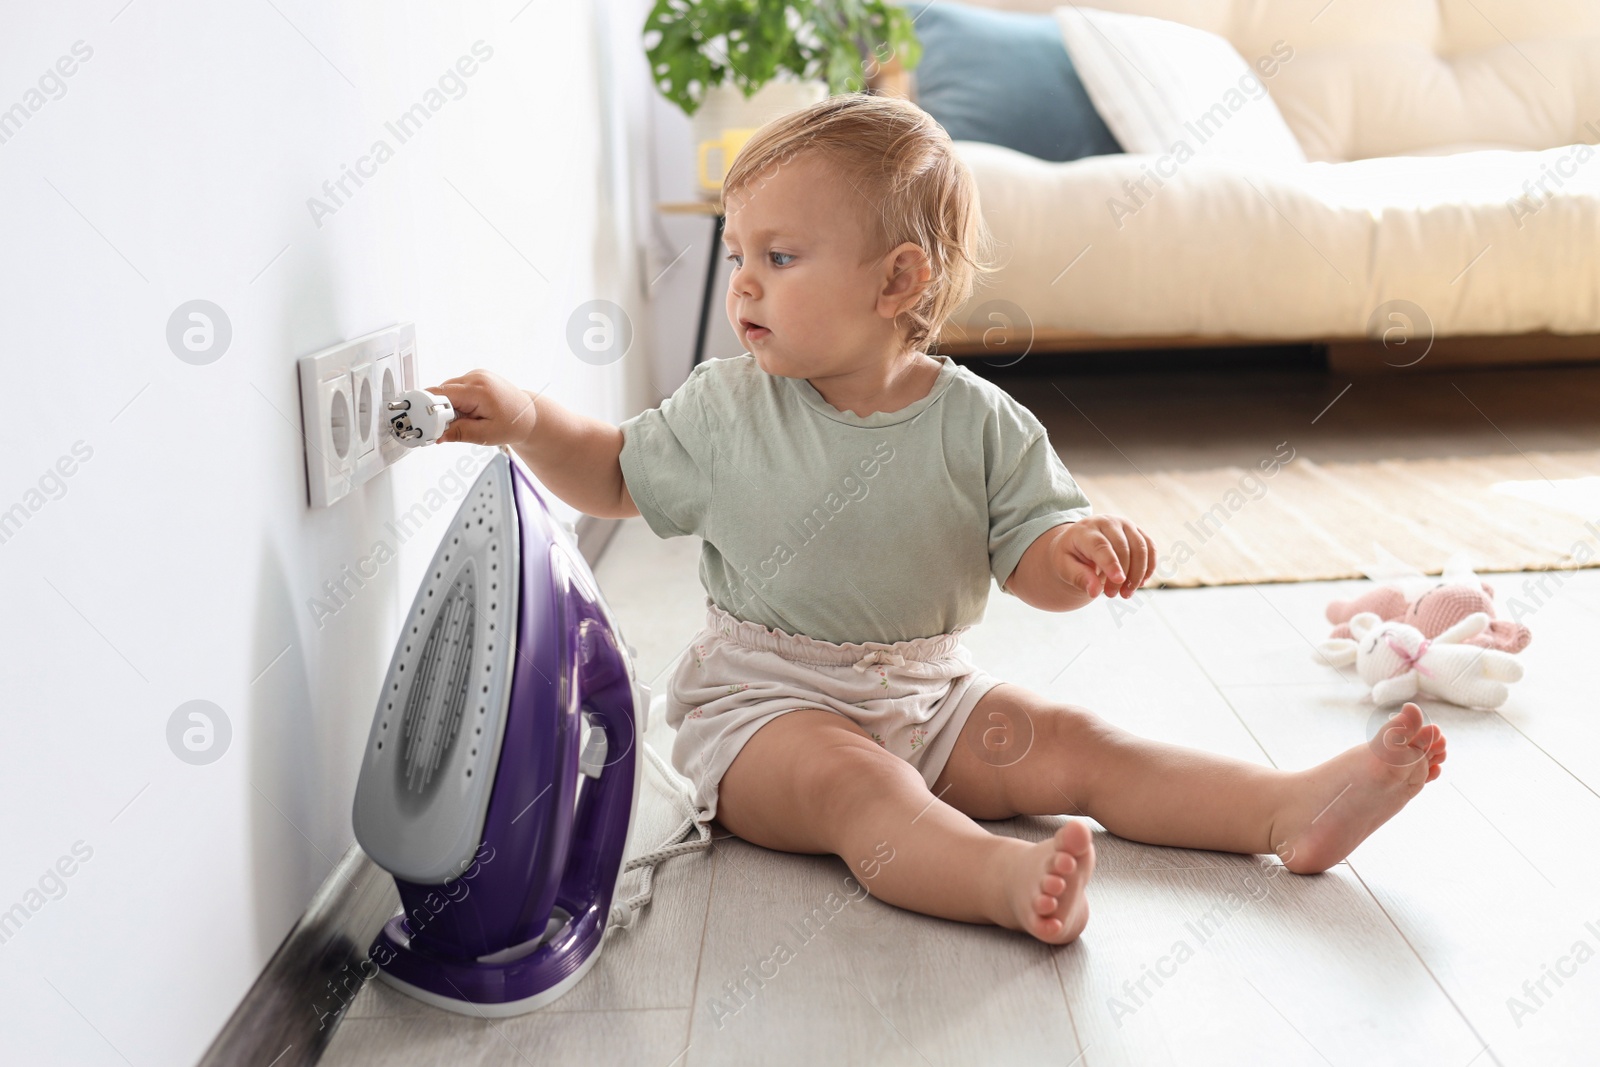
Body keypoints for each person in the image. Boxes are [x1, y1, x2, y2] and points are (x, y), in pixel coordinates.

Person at [430, 94, 1446, 944]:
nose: (741, 280)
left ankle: (1283, 807)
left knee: (1079, 742)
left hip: (934, 699)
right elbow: (611, 473)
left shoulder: (979, 422)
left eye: (778, 256)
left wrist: (1074, 550)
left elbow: (1032, 566)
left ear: (899, 279)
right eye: (737, 250)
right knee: (857, 785)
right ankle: (1001, 881)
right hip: (763, 714)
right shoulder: (723, 406)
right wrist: (527, 417)